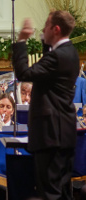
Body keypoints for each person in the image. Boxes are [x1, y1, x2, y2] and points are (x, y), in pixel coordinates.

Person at [12, 10, 79, 200]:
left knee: (50, 193)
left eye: (47, 26)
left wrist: (22, 41)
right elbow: (47, 73)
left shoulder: (57, 57)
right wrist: (44, 41)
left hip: (50, 134)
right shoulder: (70, 52)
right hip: (63, 131)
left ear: (56, 29)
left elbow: (24, 73)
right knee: (62, 191)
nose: (43, 29)